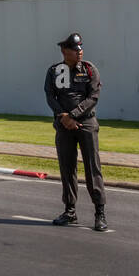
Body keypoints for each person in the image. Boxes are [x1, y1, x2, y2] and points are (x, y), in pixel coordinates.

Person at [44, 32, 108, 232]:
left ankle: (100, 212)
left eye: (80, 48)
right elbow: (50, 95)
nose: (79, 51)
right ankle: (70, 211)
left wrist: (73, 114)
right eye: (75, 49)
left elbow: (93, 97)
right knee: (67, 168)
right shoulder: (54, 71)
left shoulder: (89, 69)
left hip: (86, 123)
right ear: (65, 51)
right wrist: (63, 116)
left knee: (92, 167)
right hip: (64, 125)